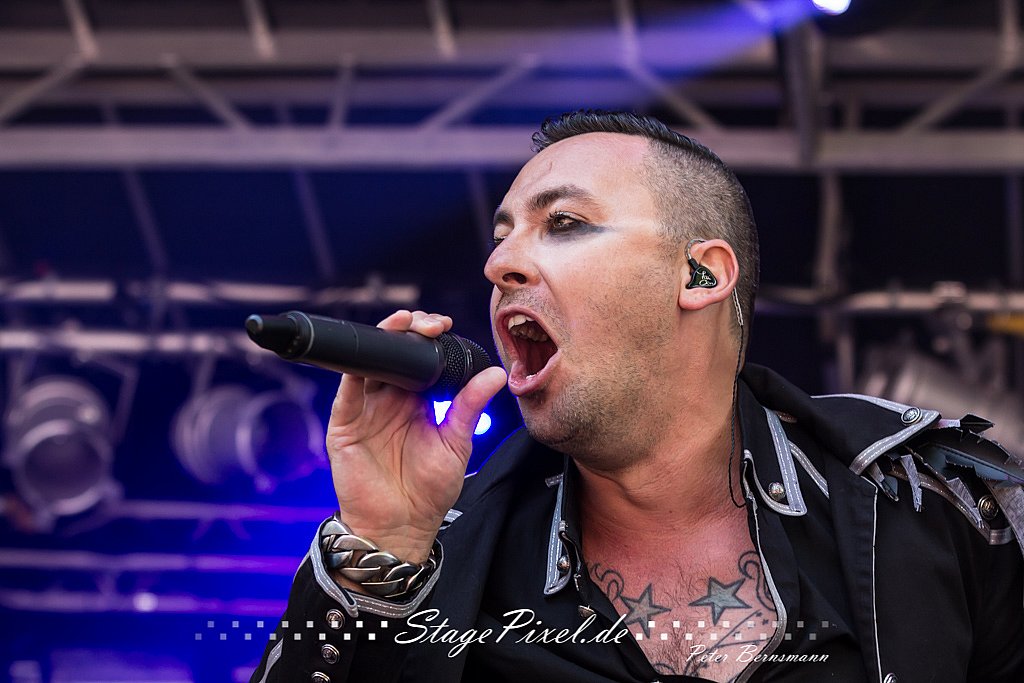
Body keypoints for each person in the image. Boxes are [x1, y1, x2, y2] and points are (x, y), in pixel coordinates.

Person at [250, 111, 1024, 683]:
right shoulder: (441, 556)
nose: (500, 263)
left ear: (699, 274)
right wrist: (377, 548)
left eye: (563, 222)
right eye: (502, 234)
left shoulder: (931, 498)